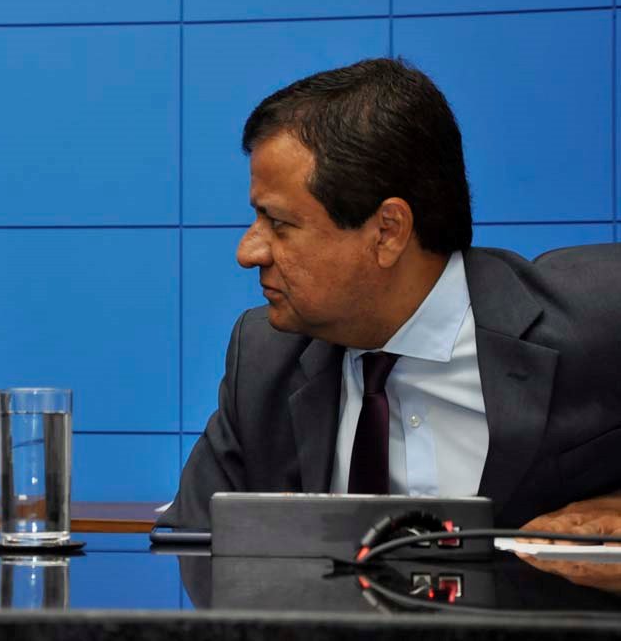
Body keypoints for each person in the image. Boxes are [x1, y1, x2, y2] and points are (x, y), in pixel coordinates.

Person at [160, 58, 621, 532]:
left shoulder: (596, 317)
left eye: (279, 223)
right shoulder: (263, 360)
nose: (248, 251)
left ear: (387, 231)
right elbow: (196, 540)